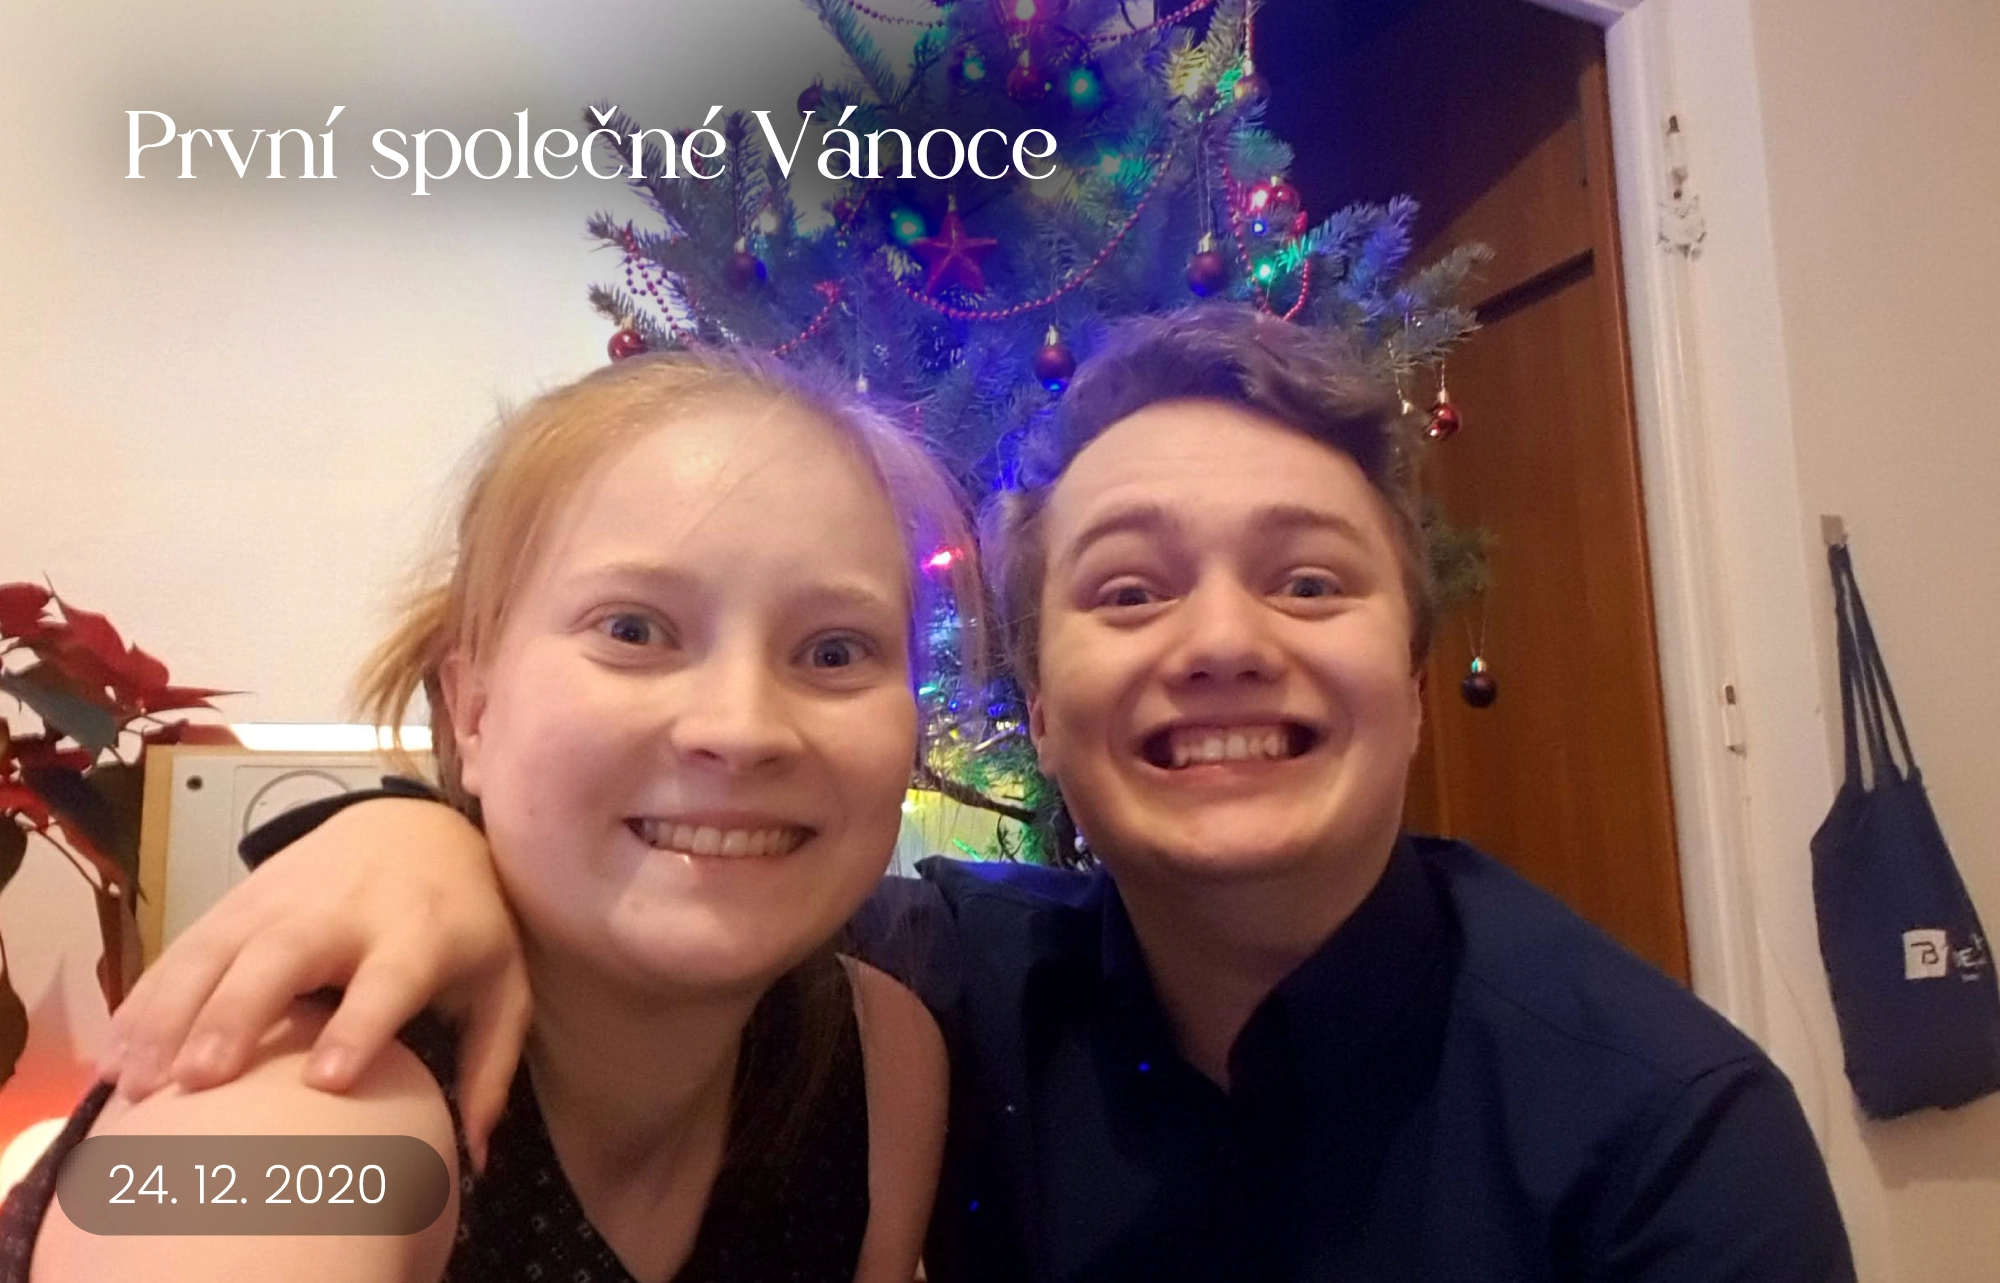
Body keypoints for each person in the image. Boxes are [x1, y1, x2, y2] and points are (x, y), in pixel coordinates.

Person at [83, 305, 1856, 1281]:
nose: (1220, 643)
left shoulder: (1661, 1133)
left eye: (1310, 581)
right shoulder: (311, 1121)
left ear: (1409, 676)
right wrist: (396, 832)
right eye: (1130, 589)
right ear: (1036, 710)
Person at [1, 348, 975, 1282]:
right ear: (471, 707)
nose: (742, 727)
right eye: (633, 629)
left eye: (835, 651)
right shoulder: (307, 1092)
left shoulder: (879, 1062)